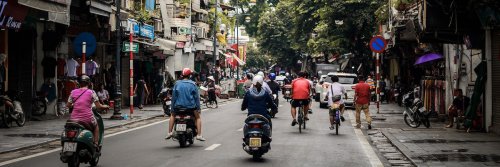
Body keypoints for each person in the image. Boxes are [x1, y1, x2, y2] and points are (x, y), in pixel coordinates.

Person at [67, 75, 109, 146]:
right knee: (96, 126)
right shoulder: (91, 92)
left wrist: (74, 105)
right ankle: (95, 144)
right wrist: (105, 106)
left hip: (73, 119)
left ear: (79, 83)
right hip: (87, 118)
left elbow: (68, 105)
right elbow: (98, 106)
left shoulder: (73, 92)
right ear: (89, 83)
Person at [165, 68, 206, 141]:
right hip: (190, 107)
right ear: (190, 76)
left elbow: (174, 97)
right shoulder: (193, 84)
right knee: (198, 117)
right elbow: (196, 98)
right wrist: (198, 109)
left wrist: (172, 108)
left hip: (178, 107)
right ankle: (199, 135)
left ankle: (169, 132)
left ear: (182, 75)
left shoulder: (177, 84)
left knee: (172, 115)